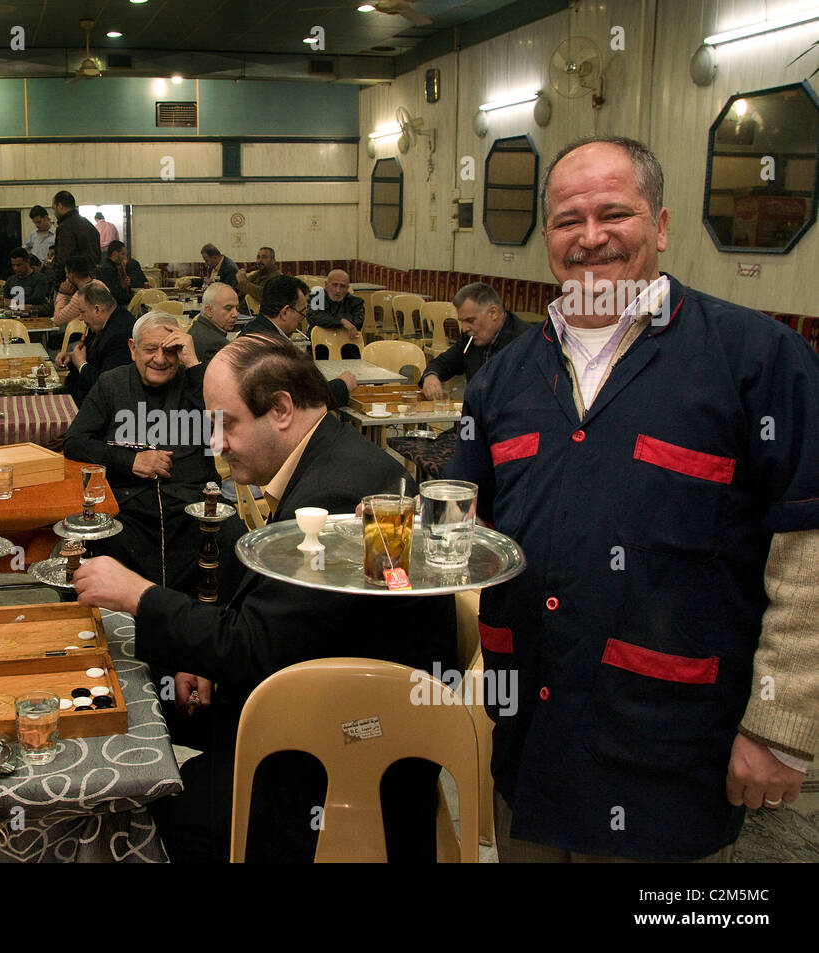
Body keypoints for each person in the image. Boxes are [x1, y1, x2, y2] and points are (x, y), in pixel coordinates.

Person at [448, 135, 819, 862]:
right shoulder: (504, 377)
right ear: (547, 235)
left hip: (671, 756)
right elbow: (469, 533)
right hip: (530, 745)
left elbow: (806, 551)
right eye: (567, 219)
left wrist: (781, 724)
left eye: (614, 213)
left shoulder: (757, 360)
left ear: (662, 223)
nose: (590, 238)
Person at [73, 334, 457, 862]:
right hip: (328, 707)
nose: (214, 444)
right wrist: (196, 652)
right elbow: (285, 623)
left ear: (280, 409)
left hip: (350, 755)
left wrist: (139, 594)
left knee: (139, 801)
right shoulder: (331, 458)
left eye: (225, 423)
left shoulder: (337, 496)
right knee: (146, 703)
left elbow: (258, 648)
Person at [64, 311, 241, 593]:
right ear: (133, 348)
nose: (160, 359)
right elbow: (75, 443)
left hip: (192, 503)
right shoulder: (111, 383)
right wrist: (129, 460)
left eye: (171, 350)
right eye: (150, 349)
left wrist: (194, 364)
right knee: (100, 542)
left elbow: (225, 427)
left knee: (233, 538)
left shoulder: (197, 381)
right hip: (129, 504)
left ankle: (209, 623)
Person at [240, 275, 356, 409]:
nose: (302, 319)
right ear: (285, 312)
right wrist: (342, 385)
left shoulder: (252, 329)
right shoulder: (275, 349)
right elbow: (302, 400)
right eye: (301, 313)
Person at [419, 283, 532, 400]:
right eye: (462, 321)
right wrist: (431, 376)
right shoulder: (471, 337)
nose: (464, 328)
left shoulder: (525, 341)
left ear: (493, 313)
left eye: (470, 320)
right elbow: (444, 363)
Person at [58, 282, 133, 406]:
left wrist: (81, 364)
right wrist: (72, 357)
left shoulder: (121, 335)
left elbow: (106, 386)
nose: (80, 318)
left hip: (98, 406)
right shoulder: (102, 323)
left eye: (82, 312)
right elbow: (93, 357)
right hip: (80, 393)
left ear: (97, 309)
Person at [307, 269, 365, 357]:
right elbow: (314, 317)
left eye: (342, 286)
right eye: (334, 285)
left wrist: (332, 321)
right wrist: (342, 321)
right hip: (320, 351)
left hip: (348, 352)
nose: (338, 290)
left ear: (347, 288)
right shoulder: (317, 298)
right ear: (326, 285)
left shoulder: (356, 302)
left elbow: (357, 322)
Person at [50, 190, 101, 288]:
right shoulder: (89, 225)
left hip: (71, 285)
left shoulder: (65, 227)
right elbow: (97, 255)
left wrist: (58, 283)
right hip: (91, 281)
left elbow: (64, 258)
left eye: (54, 208)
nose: (54, 213)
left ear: (60, 206)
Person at [188, 281, 239, 365]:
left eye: (237, 308)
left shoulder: (197, 327)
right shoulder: (216, 344)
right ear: (209, 310)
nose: (235, 314)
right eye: (228, 308)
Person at [50, 257, 108, 329]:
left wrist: (63, 293)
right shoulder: (100, 283)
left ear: (71, 275)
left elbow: (58, 320)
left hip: (91, 336)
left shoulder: (81, 295)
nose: (66, 276)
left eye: (66, 273)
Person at [94, 240, 148, 308]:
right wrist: (135, 296)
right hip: (114, 306)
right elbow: (115, 296)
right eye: (123, 254)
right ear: (115, 254)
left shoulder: (111, 267)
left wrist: (124, 285)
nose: (124, 257)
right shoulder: (108, 270)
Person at [235, 246, 280, 312]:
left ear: (273, 261)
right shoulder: (257, 274)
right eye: (258, 257)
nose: (260, 261)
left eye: (264, 257)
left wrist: (243, 282)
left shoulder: (277, 277)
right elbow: (240, 290)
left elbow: (265, 295)